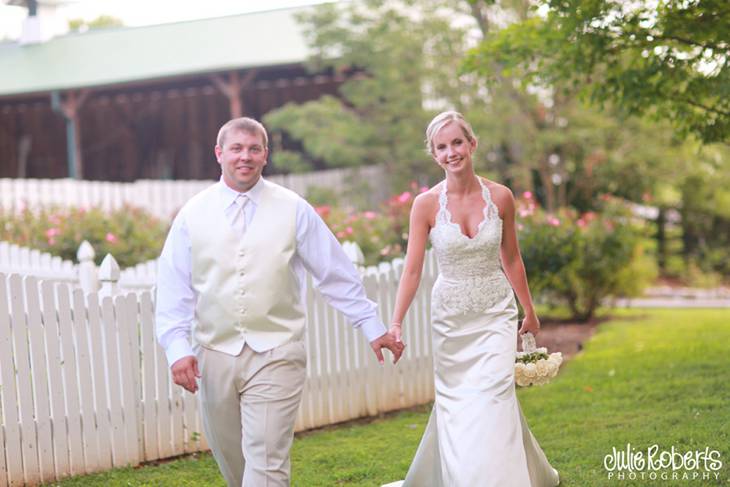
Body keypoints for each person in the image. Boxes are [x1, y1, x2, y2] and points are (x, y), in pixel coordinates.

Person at [155, 117, 404, 487]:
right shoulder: (192, 214)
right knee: (234, 460)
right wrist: (177, 348)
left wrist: (371, 326)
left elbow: (334, 272)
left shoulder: (293, 208)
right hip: (214, 352)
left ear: (265, 155)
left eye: (254, 149)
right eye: (237, 148)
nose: (245, 157)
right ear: (219, 154)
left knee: (267, 458)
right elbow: (173, 288)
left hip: (278, 351)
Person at [383, 111, 560, 486]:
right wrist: (395, 323)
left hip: (495, 310)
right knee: (460, 405)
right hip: (450, 317)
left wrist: (528, 311)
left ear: (472, 144)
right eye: (442, 147)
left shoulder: (501, 197)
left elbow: (511, 257)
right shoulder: (425, 205)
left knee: (494, 395)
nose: (451, 152)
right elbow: (412, 270)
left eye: (457, 142)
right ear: (434, 154)